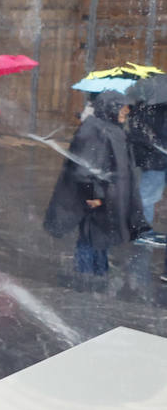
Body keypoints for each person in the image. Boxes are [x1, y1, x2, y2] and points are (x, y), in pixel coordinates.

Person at [43, 90, 148, 276]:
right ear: (111, 108)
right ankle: (86, 275)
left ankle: (98, 273)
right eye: (122, 109)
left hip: (108, 197)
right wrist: (94, 196)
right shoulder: (94, 130)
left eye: (126, 110)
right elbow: (84, 168)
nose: (126, 113)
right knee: (91, 237)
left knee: (102, 237)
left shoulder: (113, 129)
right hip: (97, 197)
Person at [126, 99, 166, 246]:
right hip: (156, 160)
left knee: (148, 195)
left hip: (156, 159)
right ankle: (140, 232)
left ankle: (141, 230)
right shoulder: (149, 110)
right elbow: (146, 137)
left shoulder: (150, 108)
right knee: (148, 196)